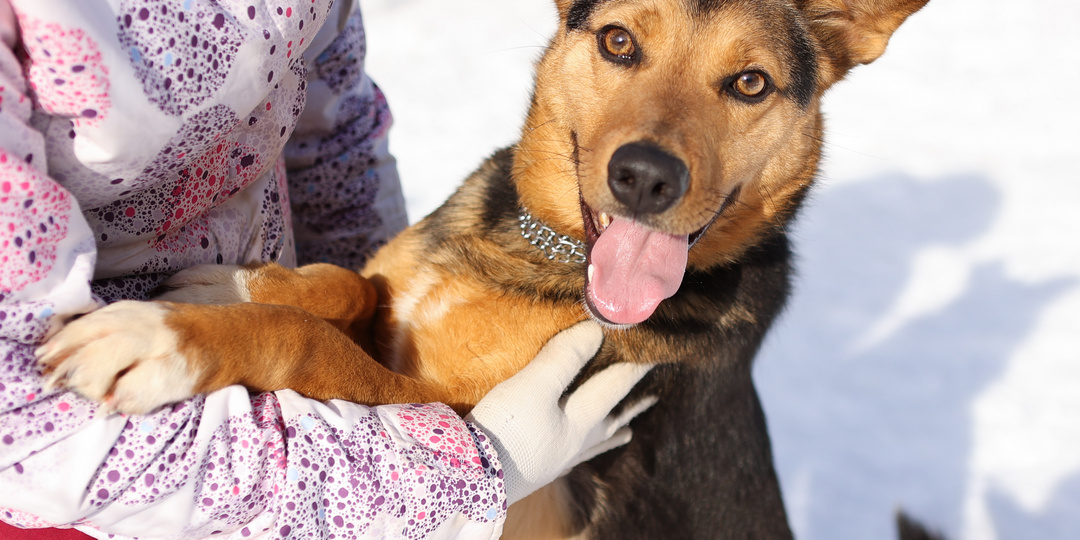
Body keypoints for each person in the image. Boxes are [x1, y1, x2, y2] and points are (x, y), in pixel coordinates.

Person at [0, 1, 652, 538]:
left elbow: (333, 135)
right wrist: (456, 475)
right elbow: (29, 430)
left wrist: (340, 308)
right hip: (101, 471)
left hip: (300, 440)